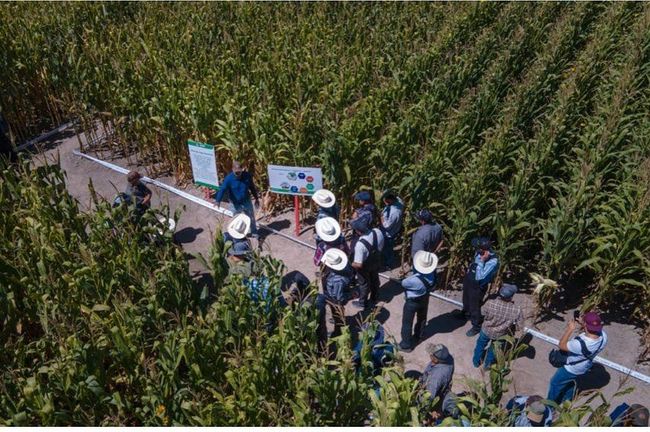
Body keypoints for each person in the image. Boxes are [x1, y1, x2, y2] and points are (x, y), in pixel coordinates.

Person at [546, 311, 608, 404]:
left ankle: (549, 405)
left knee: (555, 383)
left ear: (586, 326)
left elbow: (562, 345)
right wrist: (583, 324)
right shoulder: (604, 336)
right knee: (572, 383)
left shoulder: (579, 344)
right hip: (584, 367)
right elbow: (591, 330)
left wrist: (570, 329)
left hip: (570, 368)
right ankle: (566, 401)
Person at [472, 283, 523, 369]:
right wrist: (511, 328)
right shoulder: (517, 310)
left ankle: (476, 362)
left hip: (486, 330)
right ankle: (487, 366)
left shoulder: (490, 303)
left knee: (480, 346)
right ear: (511, 296)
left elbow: (482, 313)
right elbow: (520, 326)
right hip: (501, 335)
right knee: (494, 350)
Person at [456, 237, 499, 337]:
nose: (476, 250)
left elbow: (480, 276)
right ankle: (465, 313)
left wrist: (482, 261)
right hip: (469, 279)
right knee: (466, 299)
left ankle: (476, 325)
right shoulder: (478, 252)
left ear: (483, 250)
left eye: (477, 248)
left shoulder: (493, 261)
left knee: (474, 306)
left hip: (478, 285)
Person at [399, 251, 438, 352]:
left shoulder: (412, 280)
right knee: (422, 318)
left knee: (407, 323)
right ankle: (419, 335)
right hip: (425, 299)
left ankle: (406, 344)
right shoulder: (433, 274)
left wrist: (404, 274)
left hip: (412, 302)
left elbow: (403, 283)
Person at [215, 161, 260, 237]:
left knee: (251, 218)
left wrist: (256, 198)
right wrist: (218, 200)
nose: (238, 174)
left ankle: (254, 232)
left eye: (240, 172)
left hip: (246, 201)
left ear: (242, 169)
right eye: (236, 173)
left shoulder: (247, 176)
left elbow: (252, 187)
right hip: (234, 204)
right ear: (232, 169)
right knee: (236, 220)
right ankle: (237, 235)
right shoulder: (228, 179)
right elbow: (222, 189)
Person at [350, 217, 384, 309]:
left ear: (358, 231)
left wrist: (350, 264)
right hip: (376, 261)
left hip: (365, 266)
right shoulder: (377, 231)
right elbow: (380, 247)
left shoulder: (360, 245)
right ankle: (374, 297)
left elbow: (359, 264)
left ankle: (362, 303)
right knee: (375, 279)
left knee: (364, 284)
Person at [320, 248, 354, 337]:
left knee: (338, 316)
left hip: (334, 301)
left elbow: (339, 297)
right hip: (332, 296)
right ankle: (338, 320)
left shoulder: (338, 280)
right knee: (336, 315)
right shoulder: (344, 267)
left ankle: (338, 332)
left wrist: (350, 296)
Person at [420, 343, 454, 413]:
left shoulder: (435, 378)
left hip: (433, 391)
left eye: (431, 355)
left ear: (436, 360)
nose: (430, 355)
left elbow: (429, 396)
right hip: (443, 387)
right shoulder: (449, 358)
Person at [380, 190, 404, 268]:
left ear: (390, 200)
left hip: (389, 233)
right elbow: (398, 196)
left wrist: (382, 218)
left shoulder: (394, 212)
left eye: (385, 200)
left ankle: (389, 264)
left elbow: (387, 226)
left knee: (388, 250)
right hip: (395, 230)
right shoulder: (399, 202)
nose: (384, 202)